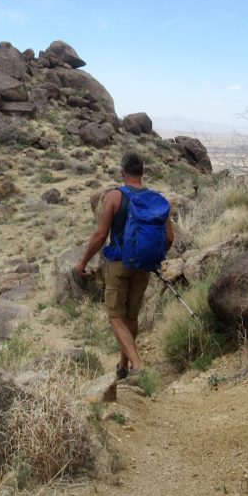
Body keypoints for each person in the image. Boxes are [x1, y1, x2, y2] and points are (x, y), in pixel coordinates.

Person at [75, 150, 173, 380]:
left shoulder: (114, 197)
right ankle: (123, 366)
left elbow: (100, 235)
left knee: (115, 316)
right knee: (131, 316)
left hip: (119, 264)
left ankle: (137, 366)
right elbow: (169, 238)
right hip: (144, 264)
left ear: (122, 172)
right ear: (143, 172)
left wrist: (82, 262)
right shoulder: (156, 200)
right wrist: (153, 256)